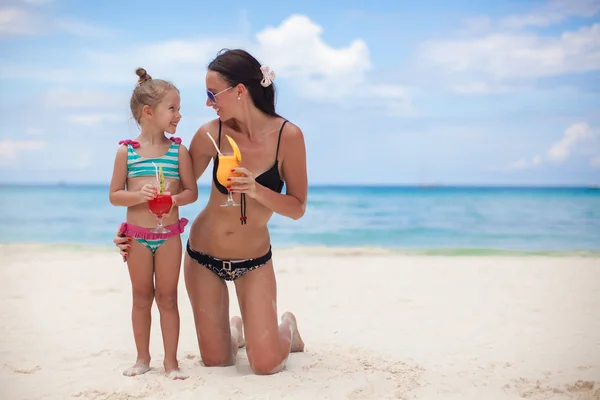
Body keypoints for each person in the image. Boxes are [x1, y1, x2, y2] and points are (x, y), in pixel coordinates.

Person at [114, 49, 307, 375]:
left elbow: (297, 208)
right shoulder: (208, 135)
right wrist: (131, 230)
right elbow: (169, 191)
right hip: (203, 257)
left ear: (240, 91)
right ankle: (235, 328)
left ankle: (287, 327)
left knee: (267, 365)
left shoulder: (287, 137)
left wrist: (257, 190)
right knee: (217, 360)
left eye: (211, 94)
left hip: (254, 260)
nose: (207, 103)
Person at [109, 68, 198, 380]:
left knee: (169, 298)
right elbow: (115, 196)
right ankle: (142, 359)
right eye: (172, 108)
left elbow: (191, 192)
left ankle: (171, 362)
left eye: (178, 107)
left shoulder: (178, 150)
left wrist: (174, 200)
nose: (179, 115)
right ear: (149, 112)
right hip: (137, 237)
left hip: (169, 236)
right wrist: (138, 194)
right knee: (141, 297)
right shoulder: (127, 152)